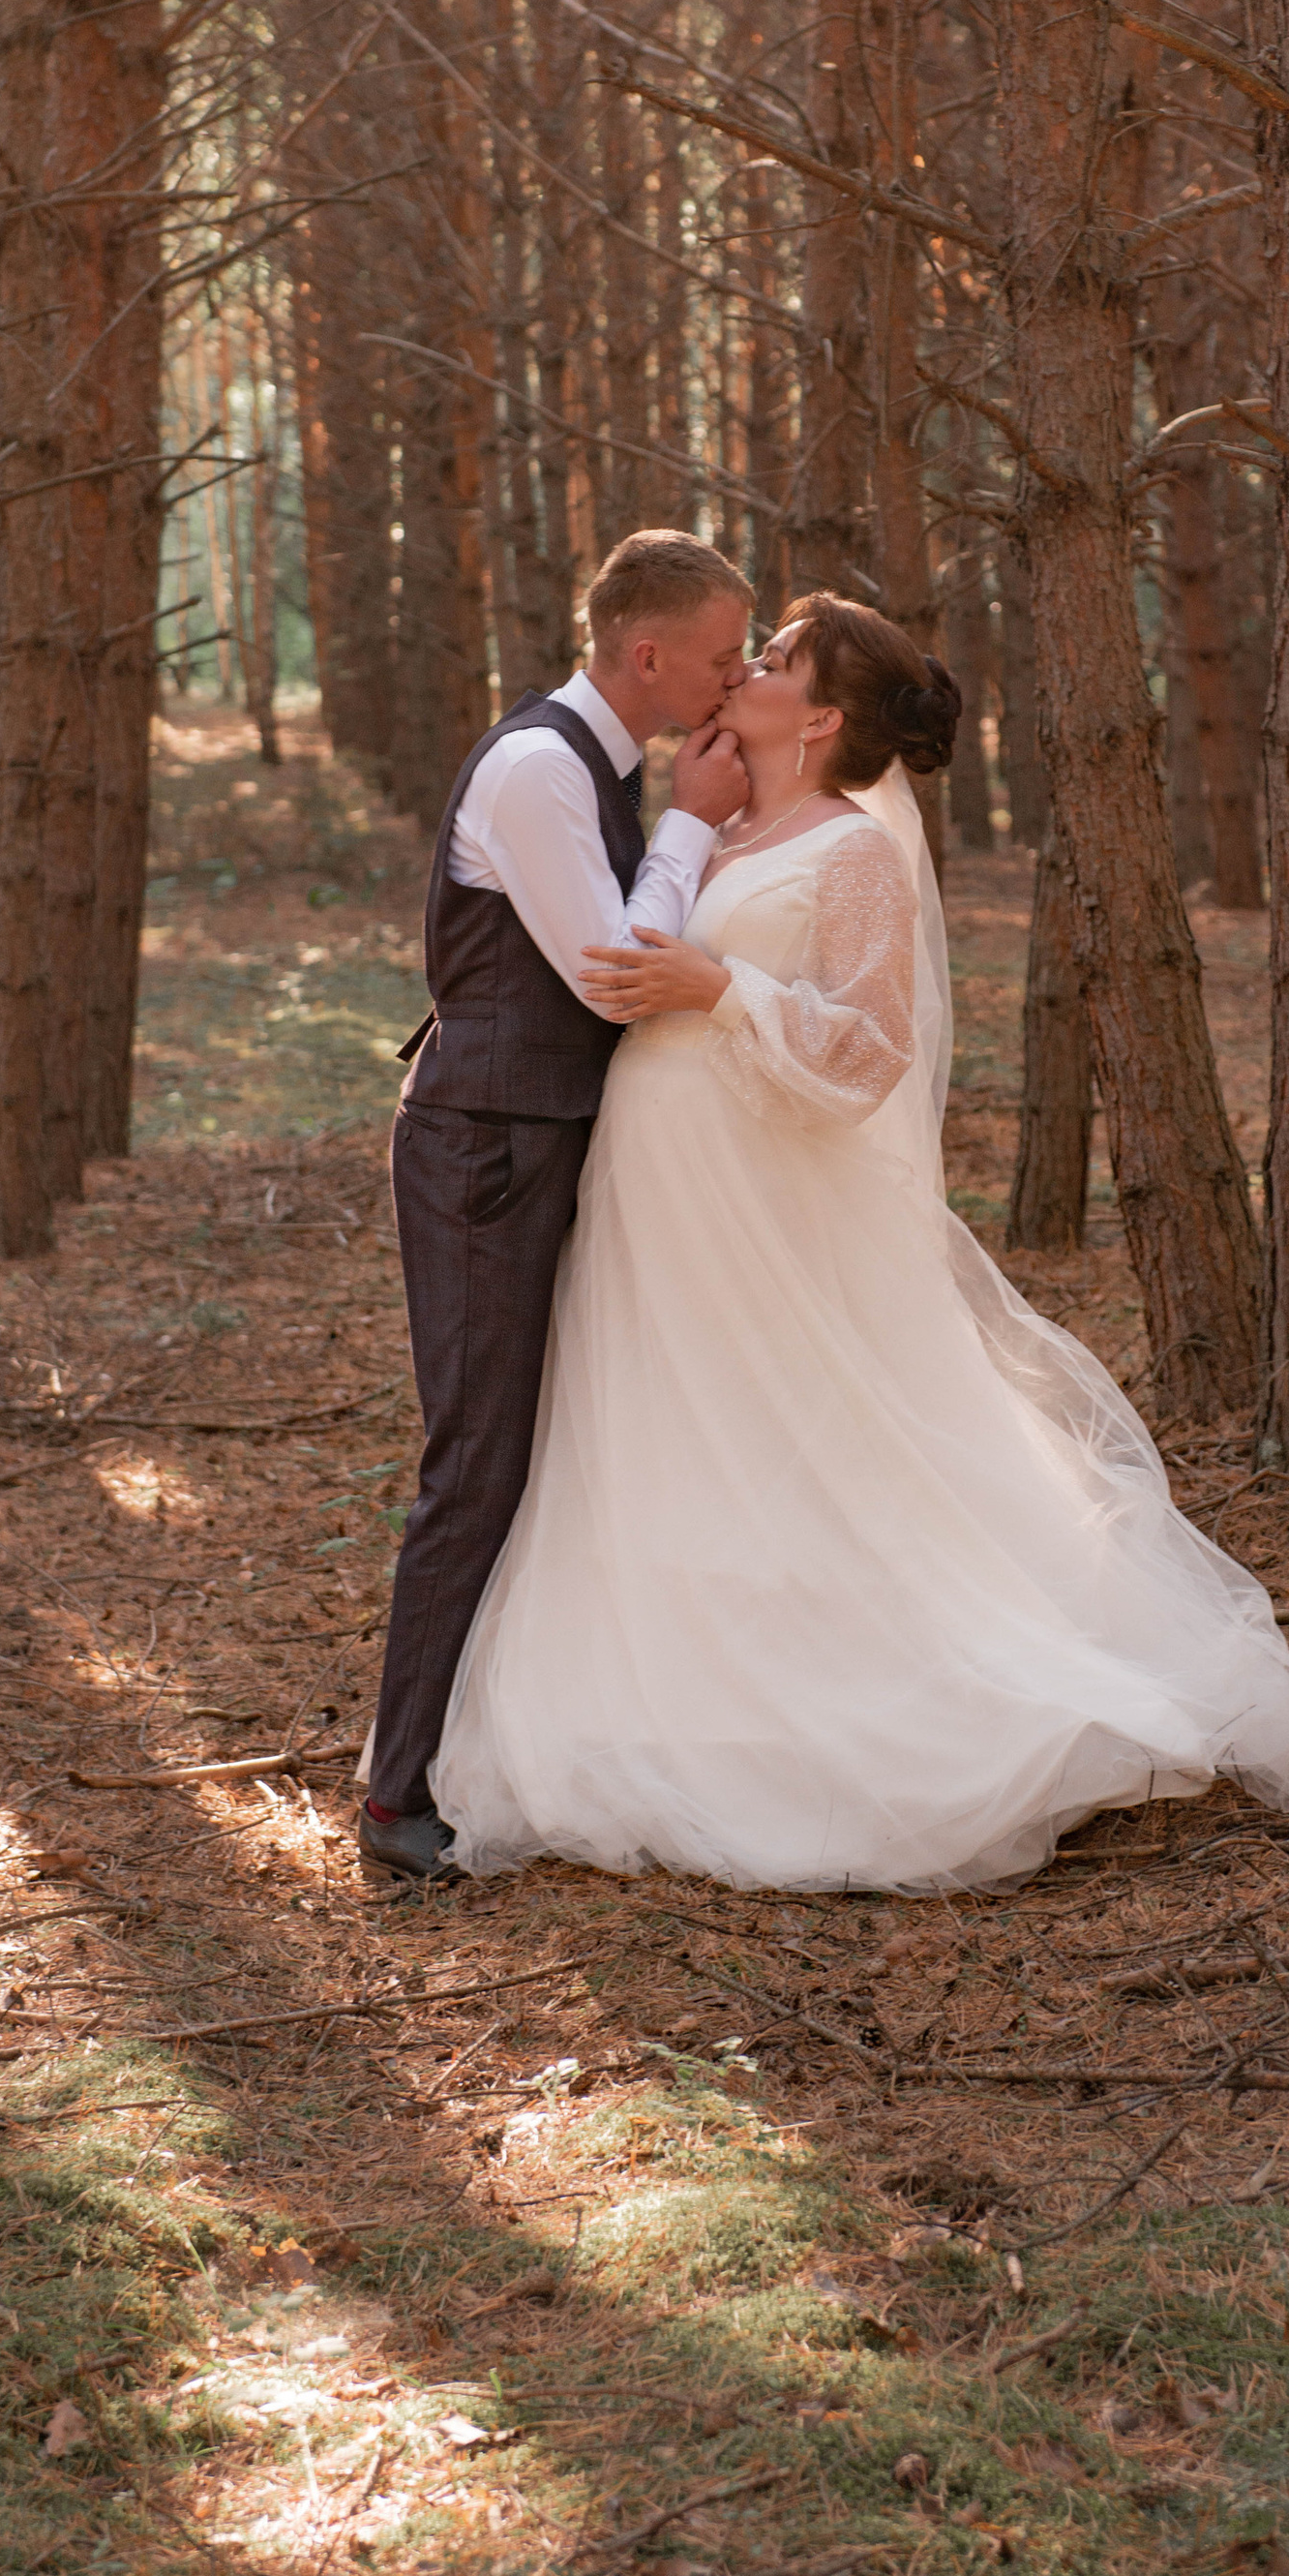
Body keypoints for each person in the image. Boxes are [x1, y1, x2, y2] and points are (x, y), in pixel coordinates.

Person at [427, 593, 1289, 1893]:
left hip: (757, 1199)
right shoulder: (723, 822)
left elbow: (870, 1049)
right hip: (659, 1191)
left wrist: (724, 989)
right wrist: (693, 850)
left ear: (816, 718)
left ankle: (862, 1712)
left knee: (776, 1433)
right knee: (668, 1428)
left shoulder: (852, 848)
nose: (747, 667)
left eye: (779, 659)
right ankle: (692, 1696)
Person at [358, 530, 755, 1884]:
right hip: (483, 1149)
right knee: (477, 1464)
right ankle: (395, 1792)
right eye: (719, 656)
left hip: (540, 1142)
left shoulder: (605, 767)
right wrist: (695, 825)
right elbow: (609, 975)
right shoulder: (539, 768)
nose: (735, 676)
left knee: (535, 1454)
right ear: (648, 656)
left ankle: (488, 1750)